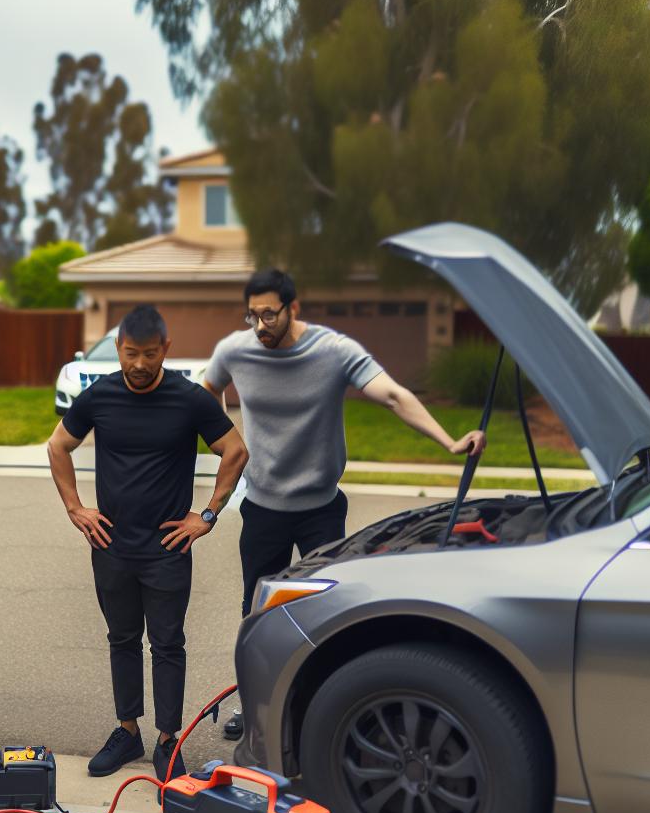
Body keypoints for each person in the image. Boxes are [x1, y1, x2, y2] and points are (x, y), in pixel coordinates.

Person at [203, 269, 484, 739]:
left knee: (327, 614)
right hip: (263, 509)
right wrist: (229, 441)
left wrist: (449, 440)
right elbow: (207, 394)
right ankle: (254, 705)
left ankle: (319, 702)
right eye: (251, 315)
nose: (259, 326)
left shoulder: (333, 351)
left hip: (320, 510)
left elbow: (393, 395)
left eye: (268, 314)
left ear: (293, 309)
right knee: (258, 615)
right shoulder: (235, 350)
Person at [47, 304, 248, 782]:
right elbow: (58, 446)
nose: (140, 364)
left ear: (166, 350)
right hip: (111, 544)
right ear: (118, 349)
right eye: (131, 354)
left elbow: (235, 451)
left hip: (167, 548)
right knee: (121, 640)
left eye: (150, 354)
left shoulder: (190, 399)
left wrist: (207, 516)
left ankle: (167, 741)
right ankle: (127, 731)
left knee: (167, 644)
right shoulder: (99, 397)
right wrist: (76, 508)